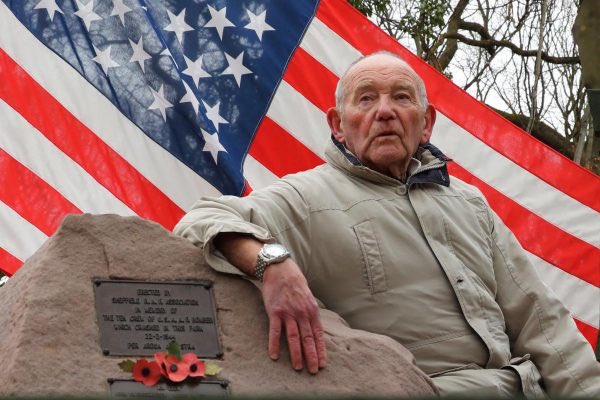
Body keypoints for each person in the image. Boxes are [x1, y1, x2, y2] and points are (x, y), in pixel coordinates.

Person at [174, 51, 600, 397]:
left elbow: (542, 322)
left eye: (401, 97)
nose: (385, 112)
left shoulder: (470, 204)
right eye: (365, 99)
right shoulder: (306, 197)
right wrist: (272, 262)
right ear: (338, 125)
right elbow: (200, 220)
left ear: (426, 122)